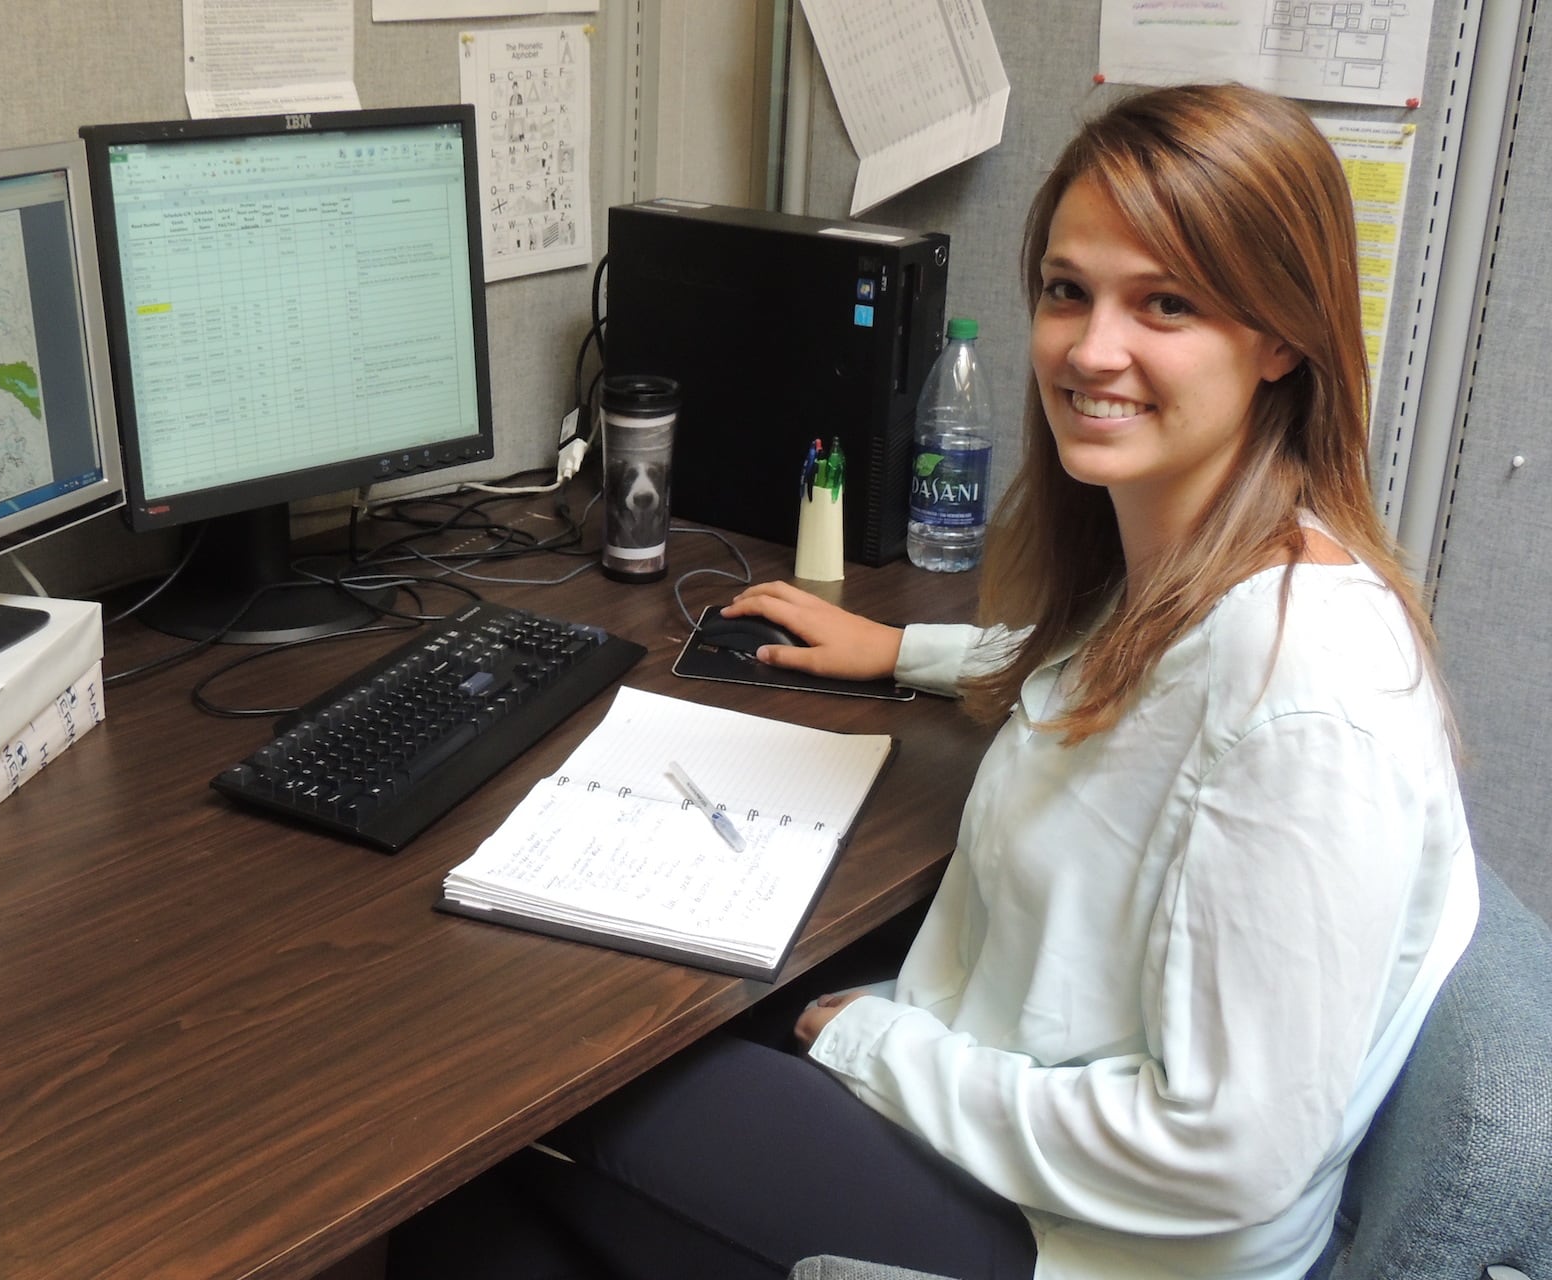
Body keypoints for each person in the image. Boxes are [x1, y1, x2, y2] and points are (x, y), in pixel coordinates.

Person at [387, 82, 1478, 1280]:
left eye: (1164, 302)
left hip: (1092, 1237)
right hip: (1018, 1100)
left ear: (1279, 336)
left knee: (513, 1104)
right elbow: (1114, 682)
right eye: (1068, 291)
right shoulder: (1205, 565)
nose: (1089, 348)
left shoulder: (1306, 697)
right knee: (503, 1169)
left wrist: (867, 1044)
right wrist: (901, 650)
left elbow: (1226, 1152)